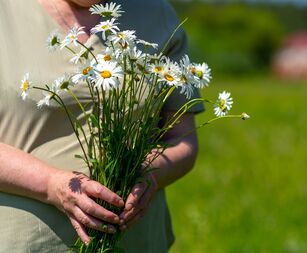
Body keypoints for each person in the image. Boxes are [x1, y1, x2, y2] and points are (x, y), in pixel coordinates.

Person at [0, 0, 204, 252]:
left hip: (135, 243)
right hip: (27, 244)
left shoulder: (157, 15)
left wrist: (148, 173)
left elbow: (183, 140)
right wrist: (51, 183)